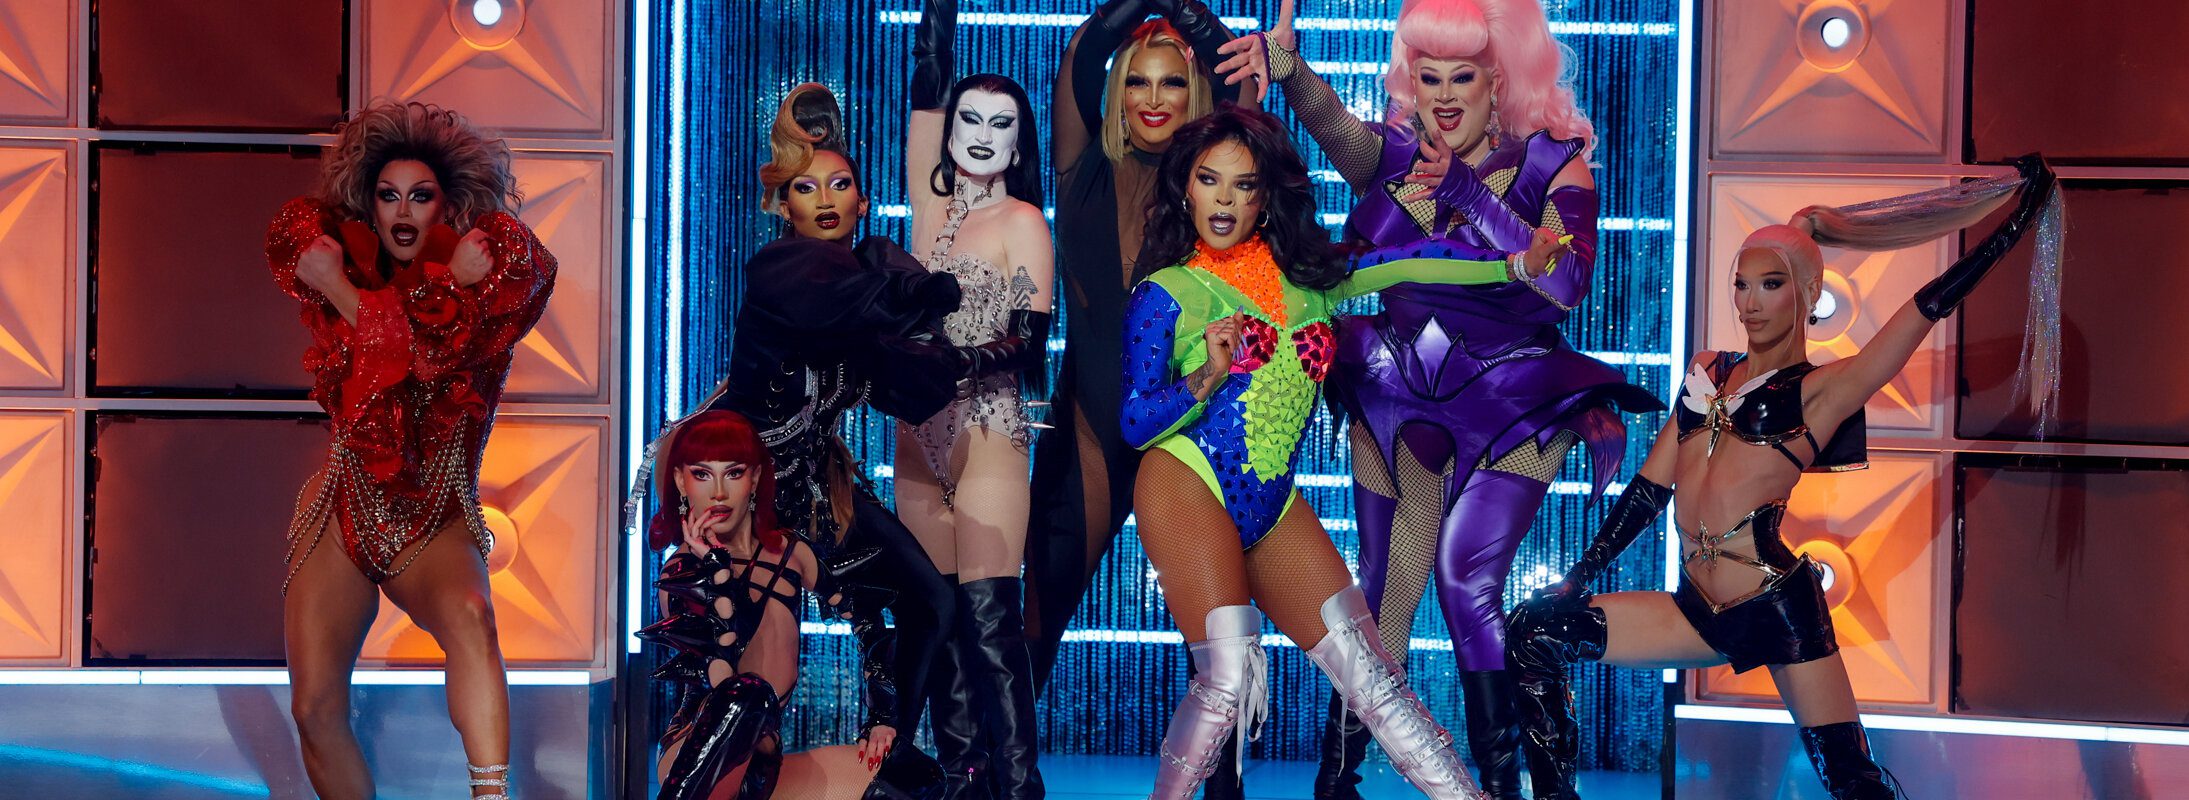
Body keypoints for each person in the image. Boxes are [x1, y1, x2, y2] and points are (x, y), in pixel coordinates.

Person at [1505, 156, 2060, 800]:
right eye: (1741, 285)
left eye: (1769, 285)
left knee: (1852, 780)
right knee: (1532, 631)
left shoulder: (1824, 390)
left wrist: (2012, 223)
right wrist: (1582, 573)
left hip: (1775, 605)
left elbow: (1926, 307)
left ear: (1807, 292)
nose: (1749, 303)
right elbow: (1650, 491)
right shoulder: (1708, 370)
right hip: (1696, 608)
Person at [1217, 2, 1660, 793]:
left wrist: (1469, 193)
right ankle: (1336, 781)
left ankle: (1499, 786)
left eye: (1463, 77)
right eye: (1430, 78)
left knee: (1465, 582)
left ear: (1498, 82)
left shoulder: (1553, 165)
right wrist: (1290, 70)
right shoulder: (1392, 158)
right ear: (1410, 84)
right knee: (1383, 595)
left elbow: (1563, 283)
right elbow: (1334, 128)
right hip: (1401, 391)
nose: (1445, 96)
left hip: (1512, 399)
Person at [1126, 104, 1576, 800]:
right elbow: (1133, 423)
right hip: (1185, 481)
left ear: (1266, 196)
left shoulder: (1312, 281)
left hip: (1269, 502)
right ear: (1185, 187)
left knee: (1372, 673)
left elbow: (1416, 260)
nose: (1223, 200)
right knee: (1227, 674)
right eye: (1208, 180)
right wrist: (1206, 374)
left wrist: (1514, 264)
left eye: (1243, 185)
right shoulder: (1167, 292)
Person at [266, 100, 556, 799]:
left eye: (420, 196)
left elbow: (418, 353)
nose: (402, 211)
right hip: (339, 509)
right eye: (388, 195)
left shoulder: (490, 280)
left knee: (473, 618)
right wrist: (341, 282)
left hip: (434, 516)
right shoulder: (340, 264)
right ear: (368, 205)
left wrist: (366, 288)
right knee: (312, 708)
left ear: (446, 206)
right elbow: (292, 235)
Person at [897, 1, 1054, 796]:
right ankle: (963, 781)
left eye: (1001, 123)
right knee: (937, 620)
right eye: (970, 118)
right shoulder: (927, 207)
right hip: (913, 439)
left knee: (991, 624)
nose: (983, 134)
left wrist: (944, 362)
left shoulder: (1022, 220)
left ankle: (1020, 788)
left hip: (987, 429)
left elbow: (1028, 343)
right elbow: (926, 83)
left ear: (1019, 144)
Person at [642, 410, 912, 799]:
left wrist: (882, 717)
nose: (718, 492)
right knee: (748, 694)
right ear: (681, 482)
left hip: (763, 769)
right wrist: (716, 569)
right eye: (702, 474)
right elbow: (723, 681)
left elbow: (866, 619)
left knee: (911, 777)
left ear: (754, 478)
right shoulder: (682, 574)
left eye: (733, 473)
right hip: (697, 763)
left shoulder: (792, 553)